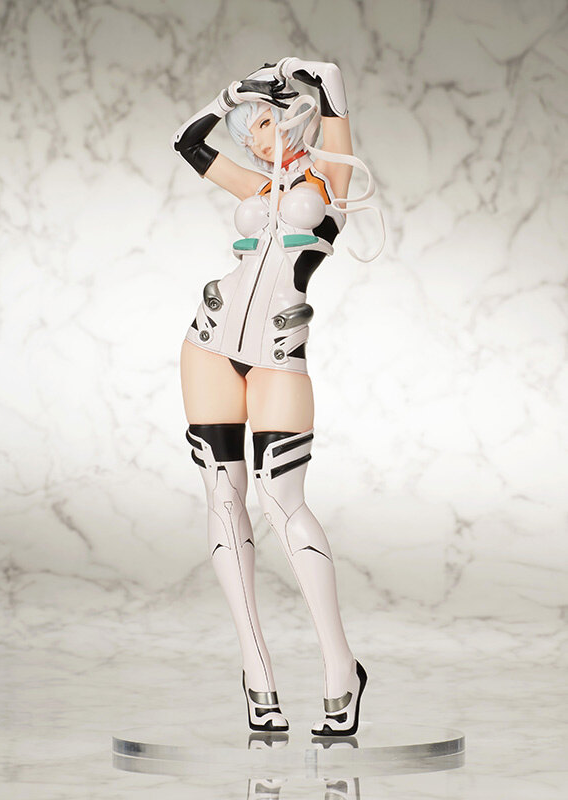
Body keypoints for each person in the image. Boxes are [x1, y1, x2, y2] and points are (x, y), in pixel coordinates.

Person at [170, 57, 383, 735]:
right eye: (249, 131)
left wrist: (300, 71)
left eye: (263, 122)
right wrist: (229, 93)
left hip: (278, 351)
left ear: (293, 116)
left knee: (282, 500)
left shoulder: (330, 179)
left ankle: (340, 669)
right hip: (208, 343)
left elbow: (332, 82)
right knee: (222, 495)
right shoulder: (254, 181)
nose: (256, 139)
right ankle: (256, 673)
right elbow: (186, 141)